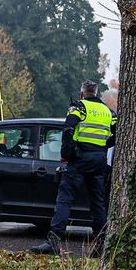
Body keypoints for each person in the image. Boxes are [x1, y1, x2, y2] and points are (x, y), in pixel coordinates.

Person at [31, 80, 115, 256]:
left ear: (82, 92)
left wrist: (68, 153)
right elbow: (118, 132)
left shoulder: (79, 107)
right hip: (99, 159)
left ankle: (53, 242)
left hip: (80, 158)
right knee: (98, 203)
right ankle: (101, 245)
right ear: (96, 92)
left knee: (65, 198)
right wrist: (104, 146)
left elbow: (68, 128)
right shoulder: (108, 111)